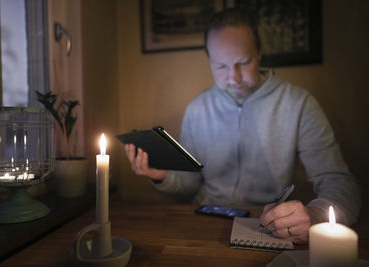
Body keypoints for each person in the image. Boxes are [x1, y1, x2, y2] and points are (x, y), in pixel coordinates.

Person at [123, 8, 361, 244]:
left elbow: (341, 184)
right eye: (221, 66)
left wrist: (316, 215)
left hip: (268, 226)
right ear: (209, 60)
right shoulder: (198, 108)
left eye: (243, 62)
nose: (234, 78)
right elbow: (191, 181)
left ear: (259, 52)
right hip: (203, 222)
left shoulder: (299, 104)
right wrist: (162, 175)